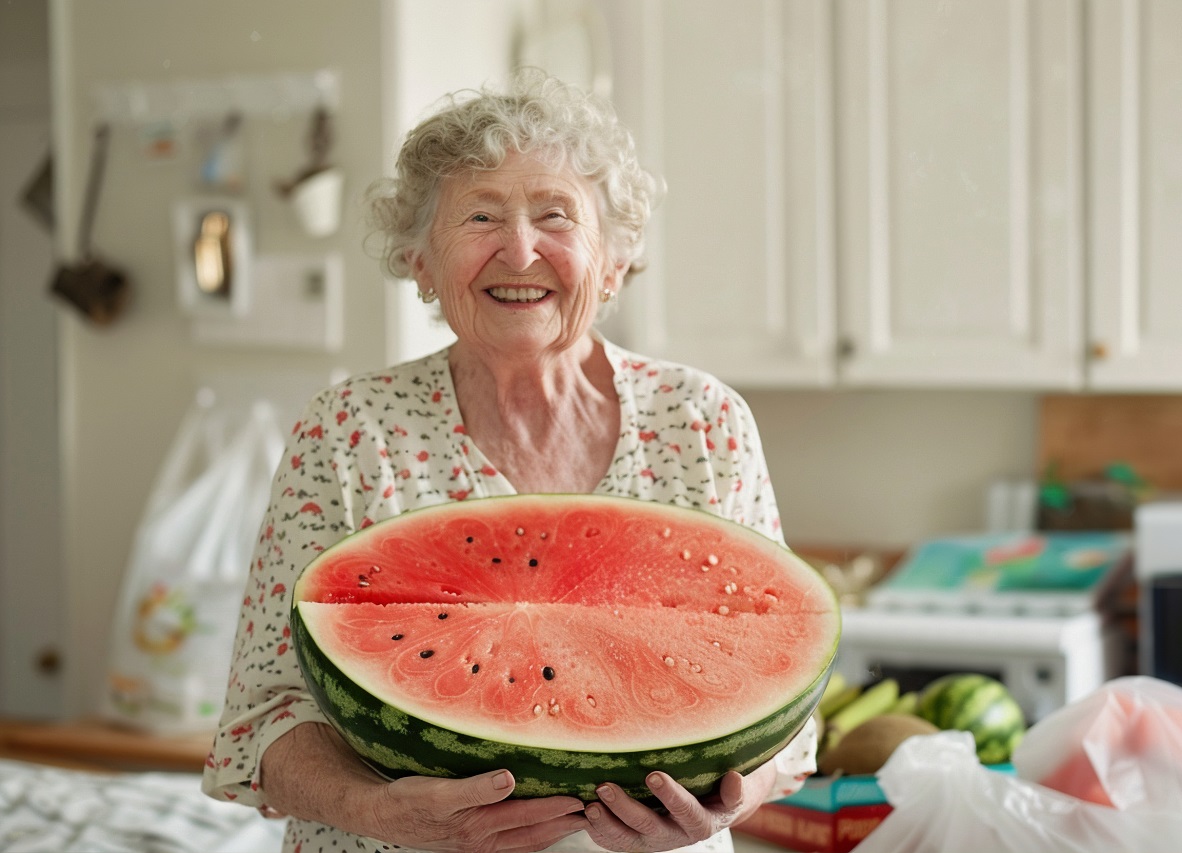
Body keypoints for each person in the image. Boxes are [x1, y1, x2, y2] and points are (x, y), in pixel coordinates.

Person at [201, 69, 817, 853]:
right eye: (480, 217)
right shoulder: (348, 432)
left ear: (614, 260)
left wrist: (729, 801)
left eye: (555, 216)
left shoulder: (704, 421)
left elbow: (785, 694)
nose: (520, 250)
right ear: (421, 262)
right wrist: (383, 812)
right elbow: (263, 718)